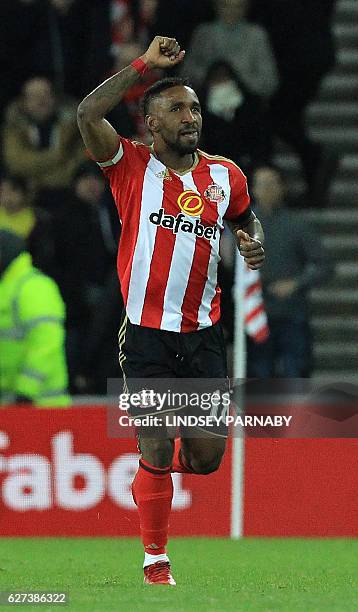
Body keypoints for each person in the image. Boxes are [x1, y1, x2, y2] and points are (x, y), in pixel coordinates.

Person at [77, 36, 265, 585]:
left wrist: (254, 240)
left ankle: (149, 473)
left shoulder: (225, 176)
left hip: (204, 333)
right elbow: (88, 111)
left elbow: (247, 220)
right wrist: (143, 65)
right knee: (158, 438)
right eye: (176, 109)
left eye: (195, 108)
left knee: (206, 459)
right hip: (147, 336)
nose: (191, 117)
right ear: (150, 124)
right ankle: (155, 559)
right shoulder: (128, 166)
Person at [247, 166, 332, 378]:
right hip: (254, 313)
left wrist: (296, 283)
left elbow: (324, 265)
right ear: (253, 189)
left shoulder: (297, 225)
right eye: (263, 185)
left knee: (295, 375)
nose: (268, 190)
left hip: (292, 313)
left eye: (273, 184)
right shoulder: (241, 225)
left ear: (282, 188)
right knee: (258, 377)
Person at [52, 162, 119, 393]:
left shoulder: (111, 211)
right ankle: (81, 374)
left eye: (97, 180)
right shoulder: (64, 217)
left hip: (109, 289)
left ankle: (98, 378)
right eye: (86, 180)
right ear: (75, 184)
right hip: (75, 291)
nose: (92, 185)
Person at [0, 229, 70, 407]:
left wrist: (26, 390)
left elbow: (46, 342)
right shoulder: (7, 287)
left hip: (42, 404)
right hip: (12, 403)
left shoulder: (34, 287)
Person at [2, 76, 85, 208]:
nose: (41, 100)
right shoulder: (14, 128)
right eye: (34, 96)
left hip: (69, 197)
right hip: (28, 202)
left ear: (54, 98)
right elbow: (17, 163)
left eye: (45, 94)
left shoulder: (75, 126)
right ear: (24, 102)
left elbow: (80, 161)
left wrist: (36, 178)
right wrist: (58, 156)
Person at [183, 0, 278, 98]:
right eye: (225, 6)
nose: (231, 11)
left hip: (247, 104)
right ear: (216, 6)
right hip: (205, 103)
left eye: (238, 6)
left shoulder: (256, 35)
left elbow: (270, 81)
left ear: (246, 8)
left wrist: (235, 80)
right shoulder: (203, 33)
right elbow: (186, 73)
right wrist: (210, 78)